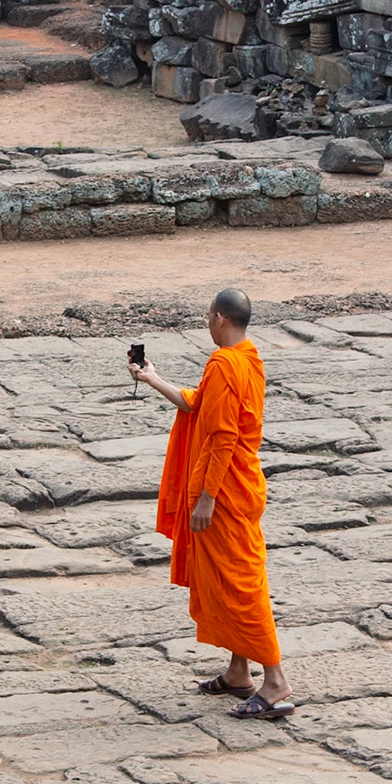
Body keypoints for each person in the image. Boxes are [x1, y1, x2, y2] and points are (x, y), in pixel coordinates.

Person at [129, 289, 292, 719]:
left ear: (220, 318)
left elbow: (222, 439)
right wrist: (152, 378)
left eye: (207, 315)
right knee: (225, 577)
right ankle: (239, 672)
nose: (206, 321)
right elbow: (196, 405)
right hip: (239, 487)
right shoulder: (247, 358)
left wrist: (206, 499)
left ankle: (275, 681)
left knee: (242, 582)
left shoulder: (225, 365)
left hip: (225, 495)